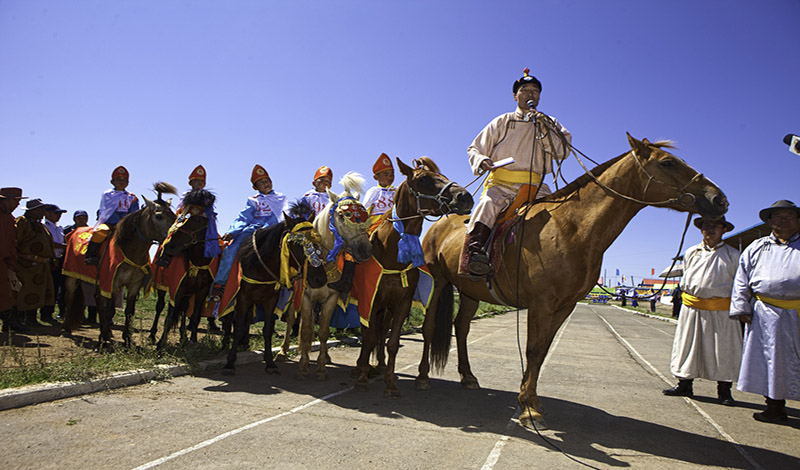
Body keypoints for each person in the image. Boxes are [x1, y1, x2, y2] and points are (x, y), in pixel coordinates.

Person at [463, 68, 572, 276]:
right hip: (501, 184)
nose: (531, 94)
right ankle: (475, 253)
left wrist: (544, 128)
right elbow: (474, 148)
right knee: (487, 205)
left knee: (562, 213)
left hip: (537, 187)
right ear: (515, 96)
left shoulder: (551, 123)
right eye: (525, 90)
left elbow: (562, 152)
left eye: (535, 91)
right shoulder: (502, 121)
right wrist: (482, 159)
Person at [730, 200, 800, 423]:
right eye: (777, 216)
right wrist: (741, 306)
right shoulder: (757, 247)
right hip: (764, 314)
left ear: (798, 220)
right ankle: (774, 407)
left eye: (789, 215)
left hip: (797, 313)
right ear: (770, 221)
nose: (783, 220)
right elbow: (742, 279)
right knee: (768, 360)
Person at [663, 216, 741, 406]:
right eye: (706, 226)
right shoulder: (691, 252)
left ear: (724, 229)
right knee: (687, 347)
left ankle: (724, 390)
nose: (710, 229)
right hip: (692, 308)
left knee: (724, 349)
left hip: (721, 310)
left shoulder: (733, 255)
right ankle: (684, 383)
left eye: (715, 226)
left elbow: (740, 285)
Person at [208, 165, 287, 302]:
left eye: (267, 180)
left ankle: (285, 285)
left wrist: (267, 228)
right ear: (255, 187)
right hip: (253, 228)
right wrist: (232, 232)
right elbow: (245, 217)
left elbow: (280, 216)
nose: (266, 184)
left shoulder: (281, 198)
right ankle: (220, 284)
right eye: (261, 182)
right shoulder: (253, 199)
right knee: (231, 248)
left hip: (274, 229)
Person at [157, 165, 222, 331]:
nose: (199, 184)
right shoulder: (186, 195)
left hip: (204, 227)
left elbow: (210, 213)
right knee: (172, 238)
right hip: (186, 223)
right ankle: (165, 259)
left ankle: (217, 281)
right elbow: (180, 210)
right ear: (190, 182)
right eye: (196, 181)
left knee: (221, 245)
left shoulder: (207, 197)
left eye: (202, 181)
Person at [12, 199, 56, 327]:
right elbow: (16, 242)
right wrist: (23, 259)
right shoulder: (22, 222)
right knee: (23, 292)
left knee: (38, 292)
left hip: (41, 267)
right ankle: (19, 319)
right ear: (34, 210)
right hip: (25, 265)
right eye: (41, 209)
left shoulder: (40, 225)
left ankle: (32, 319)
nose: (44, 212)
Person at [85, 166, 139, 265]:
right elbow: (108, 211)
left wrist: (127, 224)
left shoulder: (132, 197)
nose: (122, 182)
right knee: (101, 231)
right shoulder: (108, 194)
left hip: (126, 225)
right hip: (110, 223)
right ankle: (90, 255)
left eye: (125, 180)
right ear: (112, 181)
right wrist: (117, 223)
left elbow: (134, 213)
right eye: (118, 179)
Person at [0, 187, 28, 332]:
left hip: (3, 261)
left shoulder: (10, 218)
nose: (18, 204)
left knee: (5, 292)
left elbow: (12, 242)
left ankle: (8, 322)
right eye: (16, 201)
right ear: (7, 199)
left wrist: (10, 261)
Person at [41, 204, 68, 323]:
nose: (59, 216)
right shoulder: (44, 227)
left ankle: (49, 313)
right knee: (48, 287)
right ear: (47, 213)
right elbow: (50, 243)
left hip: (59, 259)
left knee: (56, 287)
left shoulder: (59, 228)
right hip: (49, 260)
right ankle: (44, 313)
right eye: (56, 213)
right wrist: (65, 246)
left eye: (60, 214)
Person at [362, 153, 395, 234]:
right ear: (376, 177)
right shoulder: (373, 191)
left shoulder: (396, 191)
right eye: (386, 174)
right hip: (377, 225)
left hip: (396, 223)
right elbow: (365, 210)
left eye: (392, 174)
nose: (390, 177)